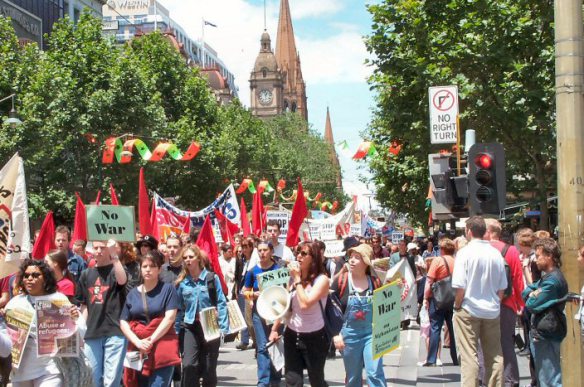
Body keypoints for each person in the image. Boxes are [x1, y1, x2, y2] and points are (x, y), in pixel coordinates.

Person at [6, 259, 85, 387]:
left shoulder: (58, 299)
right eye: (26, 276)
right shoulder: (15, 303)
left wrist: (74, 318)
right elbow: (7, 336)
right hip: (22, 369)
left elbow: (79, 331)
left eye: (35, 275)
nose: (30, 279)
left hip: (51, 366)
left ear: (46, 278)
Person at [451, 216, 507, 387]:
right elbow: (502, 287)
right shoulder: (495, 253)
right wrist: (496, 303)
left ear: (468, 231)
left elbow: (460, 287)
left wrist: (457, 305)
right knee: (495, 356)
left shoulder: (464, 253)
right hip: (492, 310)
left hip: (469, 309)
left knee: (469, 357)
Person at [270, 241, 330, 387]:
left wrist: (297, 280)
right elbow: (286, 307)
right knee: (292, 381)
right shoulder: (292, 279)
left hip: (315, 338)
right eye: (298, 252)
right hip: (292, 335)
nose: (299, 256)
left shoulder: (322, 280)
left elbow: (305, 304)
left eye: (304, 253)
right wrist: (274, 329)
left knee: (316, 380)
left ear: (314, 258)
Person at [120, 251, 181, 387]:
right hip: (138, 347)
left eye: (152, 266)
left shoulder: (168, 289)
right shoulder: (132, 294)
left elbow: (170, 317)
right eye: (144, 266)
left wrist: (150, 340)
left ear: (159, 269)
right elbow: (123, 321)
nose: (148, 270)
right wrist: (138, 342)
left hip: (162, 345)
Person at [75, 240, 128, 387]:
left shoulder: (115, 270)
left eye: (102, 247)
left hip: (115, 331)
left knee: (111, 381)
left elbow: (122, 280)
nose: (98, 251)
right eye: (95, 247)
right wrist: (81, 329)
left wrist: (114, 255)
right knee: (93, 379)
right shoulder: (85, 274)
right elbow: (84, 306)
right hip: (92, 333)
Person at [331, 243, 385, 387]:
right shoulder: (341, 280)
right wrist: (336, 334)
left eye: (357, 258)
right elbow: (330, 309)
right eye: (351, 257)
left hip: (372, 334)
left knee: (374, 372)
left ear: (366, 262)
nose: (352, 260)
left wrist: (395, 290)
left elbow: (386, 306)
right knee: (353, 377)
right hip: (349, 336)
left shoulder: (375, 282)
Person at [175, 244, 229, 387]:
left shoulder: (211, 279)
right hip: (190, 326)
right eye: (185, 257)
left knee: (209, 368)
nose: (188, 260)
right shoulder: (182, 283)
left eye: (191, 257)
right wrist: (175, 330)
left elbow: (221, 302)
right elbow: (178, 309)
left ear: (198, 259)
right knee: (188, 365)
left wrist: (223, 328)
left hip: (210, 325)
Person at [522, 238, 568, 387]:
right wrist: (533, 292)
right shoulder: (547, 278)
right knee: (546, 378)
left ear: (549, 256)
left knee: (549, 379)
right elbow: (527, 291)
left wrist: (533, 295)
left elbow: (531, 304)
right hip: (544, 330)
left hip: (547, 332)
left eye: (538, 255)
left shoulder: (552, 281)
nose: (535, 260)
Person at [484, 219, 525, 387]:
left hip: (484, 305)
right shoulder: (512, 250)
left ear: (488, 231)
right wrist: (520, 304)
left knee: (483, 345)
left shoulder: (479, 249)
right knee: (507, 343)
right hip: (506, 304)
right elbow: (517, 279)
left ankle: (485, 380)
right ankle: (511, 380)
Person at [242, 240, 282, 387]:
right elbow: (244, 291)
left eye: (265, 250)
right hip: (259, 313)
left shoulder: (278, 269)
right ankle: (263, 381)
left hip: (277, 313)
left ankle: (276, 379)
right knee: (263, 347)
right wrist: (253, 294)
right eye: (259, 250)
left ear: (271, 251)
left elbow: (285, 289)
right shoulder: (252, 271)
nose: (262, 253)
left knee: (275, 344)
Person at [420, 238, 458, 367]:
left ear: (442, 249)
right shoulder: (456, 261)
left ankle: (431, 359)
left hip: (438, 299)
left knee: (435, 328)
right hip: (453, 298)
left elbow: (429, 281)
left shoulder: (438, 261)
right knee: (453, 329)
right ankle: (456, 358)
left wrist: (425, 298)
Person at [234, 237, 257, 350]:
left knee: (251, 318)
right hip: (241, 290)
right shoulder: (240, 260)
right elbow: (237, 276)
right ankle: (244, 340)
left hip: (251, 290)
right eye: (242, 247)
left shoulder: (255, 260)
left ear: (251, 248)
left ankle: (256, 339)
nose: (244, 249)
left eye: (246, 247)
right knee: (243, 316)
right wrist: (236, 290)